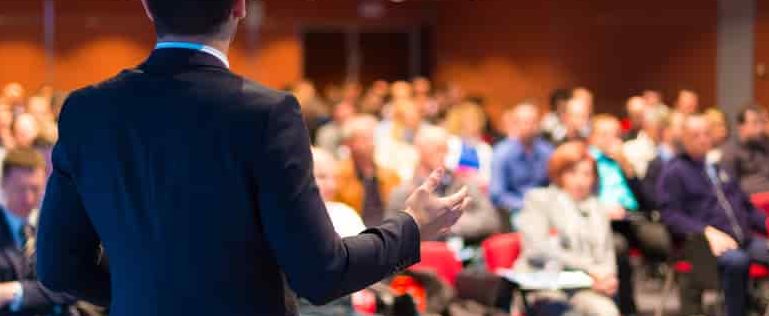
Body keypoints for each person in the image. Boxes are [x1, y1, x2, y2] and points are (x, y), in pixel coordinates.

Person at [34, 1, 470, 315]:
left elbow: (56, 269)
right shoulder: (265, 115)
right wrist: (410, 227)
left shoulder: (86, 111)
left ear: (148, 7)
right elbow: (321, 274)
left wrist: (144, 290)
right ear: (239, 7)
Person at [658, 114, 769, 316]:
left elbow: (746, 206)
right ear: (684, 137)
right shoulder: (674, 171)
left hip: (743, 238)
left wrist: (766, 221)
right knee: (737, 261)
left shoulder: (719, 167)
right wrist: (706, 231)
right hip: (702, 245)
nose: (702, 139)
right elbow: (670, 215)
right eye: (695, 135)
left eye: (706, 134)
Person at [514, 141, 619, 316]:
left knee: (607, 312)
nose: (580, 181)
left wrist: (607, 277)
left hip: (587, 287)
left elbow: (607, 252)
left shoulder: (597, 208)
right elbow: (537, 249)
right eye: (573, 173)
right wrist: (589, 268)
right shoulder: (540, 200)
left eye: (587, 174)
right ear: (559, 174)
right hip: (546, 285)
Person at [589, 114, 671, 315]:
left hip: (632, 218)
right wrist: (603, 210)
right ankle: (626, 308)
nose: (611, 140)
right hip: (602, 222)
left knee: (663, 240)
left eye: (615, 134)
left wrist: (628, 168)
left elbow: (646, 199)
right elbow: (582, 199)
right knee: (618, 248)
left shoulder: (623, 161)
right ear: (592, 137)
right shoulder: (586, 161)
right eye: (605, 134)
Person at [387, 126, 499, 242]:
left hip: (466, 251)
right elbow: (394, 234)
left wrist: (450, 224)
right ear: (419, 149)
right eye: (436, 148)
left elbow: (491, 220)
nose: (442, 153)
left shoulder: (463, 183)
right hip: (425, 256)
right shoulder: (404, 191)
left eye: (444, 148)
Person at [0, 149, 77, 315]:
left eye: (35, 189)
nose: (28, 198)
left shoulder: (56, 223)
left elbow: (72, 286)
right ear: (3, 183)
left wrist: (17, 291)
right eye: (20, 189)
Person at [297, 148, 365, 316]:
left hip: (347, 306)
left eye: (334, 178)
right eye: (321, 176)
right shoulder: (285, 220)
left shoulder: (345, 214)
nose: (332, 185)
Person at [490, 102, 553, 226]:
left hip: (544, 207)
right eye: (524, 122)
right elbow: (497, 194)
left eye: (533, 121)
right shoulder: (502, 153)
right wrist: (526, 205)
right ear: (515, 124)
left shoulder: (548, 151)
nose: (529, 126)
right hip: (515, 210)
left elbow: (554, 185)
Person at [335, 115, 402, 227]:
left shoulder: (391, 175)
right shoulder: (338, 175)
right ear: (349, 144)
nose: (371, 143)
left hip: (386, 232)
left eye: (372, 138)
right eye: (364, 139)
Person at [443, 101, 493, 188]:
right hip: (451, 186)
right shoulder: (449, 142)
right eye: (468, 119)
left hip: (478, 189)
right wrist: (464, 173)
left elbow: (488, 177)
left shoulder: (485, 148)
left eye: (476, 119)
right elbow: (446, 166)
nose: (474, 123)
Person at [721, 104, 769, 194]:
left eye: (761, 123)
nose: (760, 128)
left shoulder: (764, 145)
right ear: (741, 126)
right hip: (750, 202)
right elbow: (729, 188)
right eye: (755, 123)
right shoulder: (730, 151)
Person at [623, 108, 666, 179]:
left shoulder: (667, 146)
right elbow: (641, 176)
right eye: (658, 125)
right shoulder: (630, 148)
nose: (661, 130)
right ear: (645, 125)